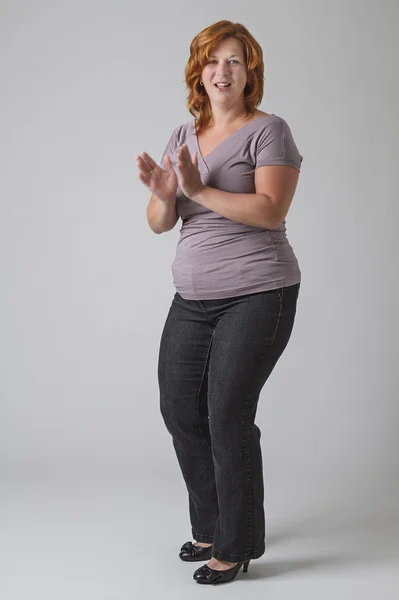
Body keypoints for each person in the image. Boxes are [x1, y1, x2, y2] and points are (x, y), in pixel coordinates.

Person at [136, 20, 303, 585]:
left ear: (249, 71)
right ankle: (210, 525)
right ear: (198, 71)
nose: (221, 71)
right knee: (180, 409)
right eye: (212, 61)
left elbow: (270, 211)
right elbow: (162, 223)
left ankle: (237, 544)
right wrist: (165, 195)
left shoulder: (269, 131)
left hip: (259, 293)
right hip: (192, 298)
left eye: (234, 60)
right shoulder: (183, 135)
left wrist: (201, 190)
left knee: (228, 415)